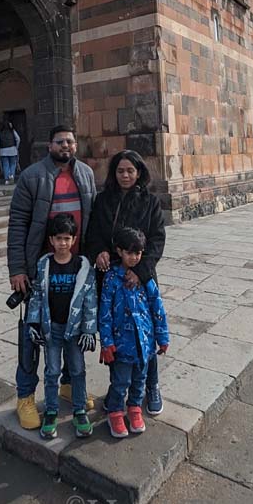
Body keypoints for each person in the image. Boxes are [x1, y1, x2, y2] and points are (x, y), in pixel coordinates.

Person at [7, 124, 97, 429]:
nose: (67, 146)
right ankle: (25, 397)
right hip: (40, 271)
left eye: (71, 141)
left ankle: (69, 385)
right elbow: (18, 223)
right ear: (50, 145)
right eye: (61, 142)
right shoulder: (32, 176)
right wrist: (18, 268)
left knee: (71, 330)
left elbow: (92, 218)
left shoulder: (84, 173)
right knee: (32, 336)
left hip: (76, 268)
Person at [86, 149, 166, 415]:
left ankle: (151, 386)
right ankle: (117, 386)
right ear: (114, 173)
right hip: (111, 279)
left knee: (146, 332)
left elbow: (156, 240)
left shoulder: (150, 202)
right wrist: (99, 251)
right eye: (120, 171)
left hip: (139, 278)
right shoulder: (103, 200)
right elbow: (93, 233)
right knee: (115, 333)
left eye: (130, 170)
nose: (125, 175)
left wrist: (141, 271)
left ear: (139, 172)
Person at [26, 213, 97, 440]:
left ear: (74, 240)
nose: (63, 243)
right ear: (51, 240)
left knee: (77, 370)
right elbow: (37, 295)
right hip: (51, 329)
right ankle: (51, 410)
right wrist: (33, 323)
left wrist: (89, 329)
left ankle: (79, 408)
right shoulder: (44, 264)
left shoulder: (82, 266)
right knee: (52, 371)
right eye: (59, 239)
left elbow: (90, 299)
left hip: (75, 330)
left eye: (67, 238)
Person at [99, 226, 169, 438]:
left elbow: (157, 307)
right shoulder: (111, 278)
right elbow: (105, 312)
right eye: (130, 253)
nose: (134, 258)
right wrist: (106, 342)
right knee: (120, 382)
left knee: (140, 380)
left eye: (138, 253)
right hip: (121, 343)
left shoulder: (145, 278)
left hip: (144, 342)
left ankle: (134, 408)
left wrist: (162, 336)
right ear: (119, 251)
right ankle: (115, 412)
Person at [0, 118, 20, 184]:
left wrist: (0, 147)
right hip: (12, 150)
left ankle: (6, 179)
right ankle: (11, 176)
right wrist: (16, 147)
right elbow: (18, 139)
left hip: (3, 151)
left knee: (5, 165)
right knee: (13, 164)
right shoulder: (13, 131)